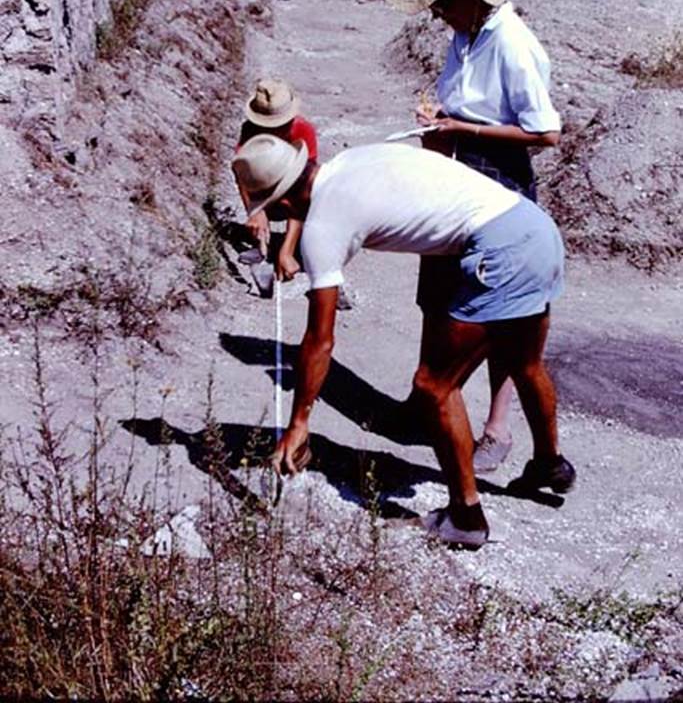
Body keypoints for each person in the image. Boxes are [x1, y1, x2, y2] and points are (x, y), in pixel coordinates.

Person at [232, 133, 576, 549]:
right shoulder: (352, 159)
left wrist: (299, 422)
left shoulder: (322, 226)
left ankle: (465, 517)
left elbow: (319, 341)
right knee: (525, 363)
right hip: (533, 225)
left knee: (434, 387)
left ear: (283, 204)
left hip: (499, 250)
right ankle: (549, 464)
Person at [385, 0, 561, 475]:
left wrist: (464, 129)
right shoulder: (463, 38)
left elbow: (545, 132)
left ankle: (497, 429)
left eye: (442, 6)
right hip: (456, 176)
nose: (438, 17)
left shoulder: (512, 43)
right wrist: (439, 119)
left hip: (500, 183)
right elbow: (459, 101)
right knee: (438, 296)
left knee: (498, 314)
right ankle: (434, 396)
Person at [238, 77, 318, 281]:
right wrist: (255, 211)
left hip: (295, 196)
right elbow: (242, 175)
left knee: (314, 197)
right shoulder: (249, 131)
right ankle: (262, 245)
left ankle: (298, 248)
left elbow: (303, 192)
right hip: (266, 193)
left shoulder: (303, 130)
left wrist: (287, 250)